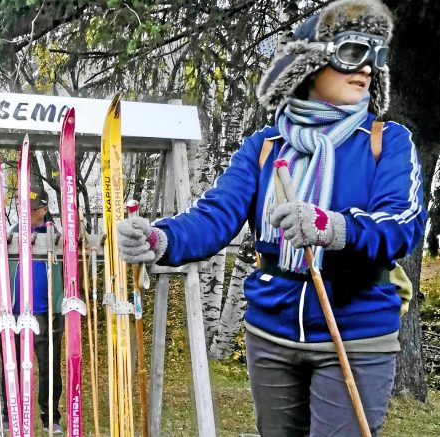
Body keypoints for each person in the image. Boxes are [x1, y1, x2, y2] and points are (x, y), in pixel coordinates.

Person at [117, 1, 425, 436]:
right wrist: (159, 239)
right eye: (354, 53)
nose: (368, 69)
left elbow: (402, 224)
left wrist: (332, 227)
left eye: (377, 58)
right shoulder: (265, 146)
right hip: (271, 334)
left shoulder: (387, 143)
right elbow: (215, 215)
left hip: (355, 336)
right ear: (310, 63)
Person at [0, 185, 65, 434]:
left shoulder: (57, 237)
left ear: (43, 209)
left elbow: (72, 273)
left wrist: (63, 303)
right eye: (22, 208)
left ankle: (50, 418)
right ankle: (10, 414)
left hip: (47, 313)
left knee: (49, 368)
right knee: (11, 366)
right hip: (12, 314)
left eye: (30, 209)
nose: (24, 213)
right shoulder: (8, 235)